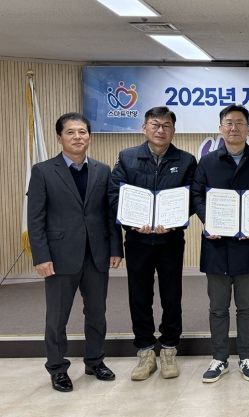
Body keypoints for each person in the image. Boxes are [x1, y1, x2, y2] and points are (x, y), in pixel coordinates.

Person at [27, 112, 123, 392]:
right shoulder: (43, 171)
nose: (78, 137)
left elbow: (109, 214)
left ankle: (95, 361)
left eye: (82, 132)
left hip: (96, 254)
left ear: (89, 136)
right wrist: (41, 256)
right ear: (60, 137)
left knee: (97, 313)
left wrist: (115, 248)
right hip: (59, 256)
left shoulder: (102, 170)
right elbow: (35, 219)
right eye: (70, 132)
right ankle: (57, 368)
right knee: (57, 317)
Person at [109, 106, 197, 381]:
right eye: (155, 125)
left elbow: (193, 197)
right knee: (139, 296)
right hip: (137, 240)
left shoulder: (186, 160)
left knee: (172, 296)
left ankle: (169, 349)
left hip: (171, 239)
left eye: (166, 125)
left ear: (173, 130)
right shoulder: (127, 157)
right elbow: (114, 195)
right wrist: (132, 222)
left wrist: (176, 219)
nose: (161, 130)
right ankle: (145, 352)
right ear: (144, 128)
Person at [192, 104, 249, 383]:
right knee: (217, 307)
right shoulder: (207, 162)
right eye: (229, 123)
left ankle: (246, 357)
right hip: (216, 246)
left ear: (248, 128)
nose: (234, 128)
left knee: (246, 306)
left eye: (240, 123)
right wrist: (209, 220)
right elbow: (197, 196)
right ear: (220, 128)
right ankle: (219, 359)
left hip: (248, 246)